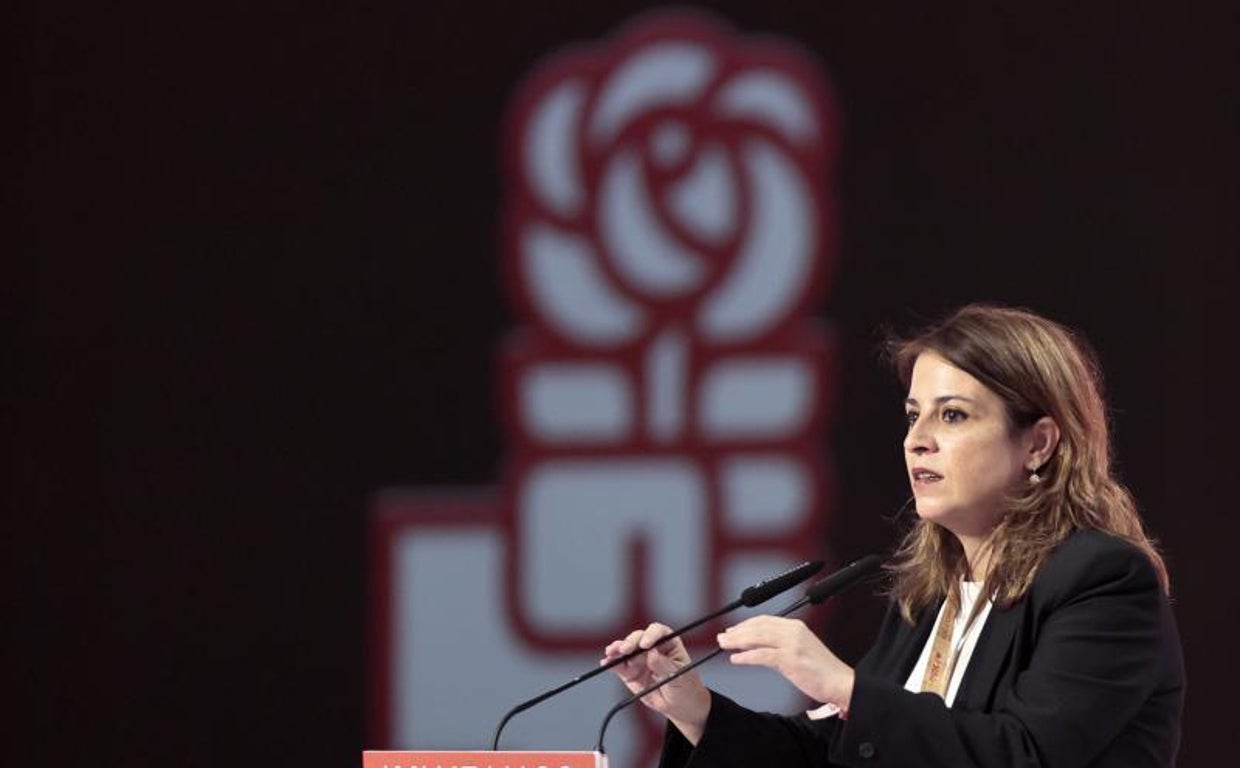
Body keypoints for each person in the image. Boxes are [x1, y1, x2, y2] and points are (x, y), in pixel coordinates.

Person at [602, 304, 1184, 767]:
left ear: (1038, 443)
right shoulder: (933, 598)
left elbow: (1026, 753)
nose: (917, 441)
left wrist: (847, 687)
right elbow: (838, 755)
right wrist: (696, 710)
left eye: (952, 415)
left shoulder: (1103, 581)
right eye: (913, 415)